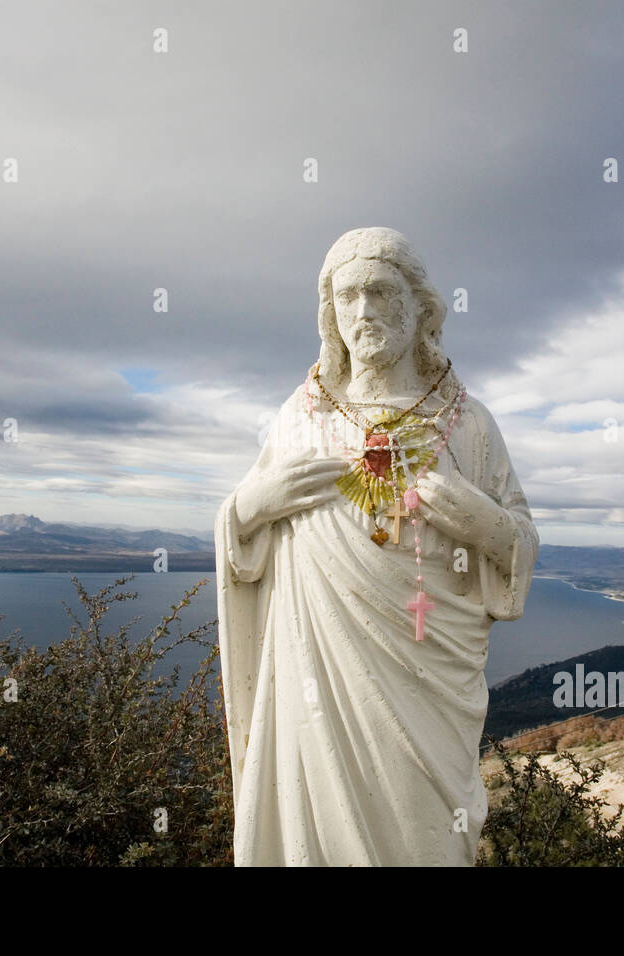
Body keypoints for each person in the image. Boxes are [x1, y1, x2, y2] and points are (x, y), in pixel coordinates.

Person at [215, 226, 539, 865]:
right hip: (314, 688)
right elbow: (239, 534)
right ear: (329, 314)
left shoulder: (467, 425)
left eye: (382, 292)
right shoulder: (298, 417)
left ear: (420, 307)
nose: (364, 311)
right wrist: (256, 504)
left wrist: (477, 518)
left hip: (429, 691)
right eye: (347, 296)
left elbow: (521, 542)